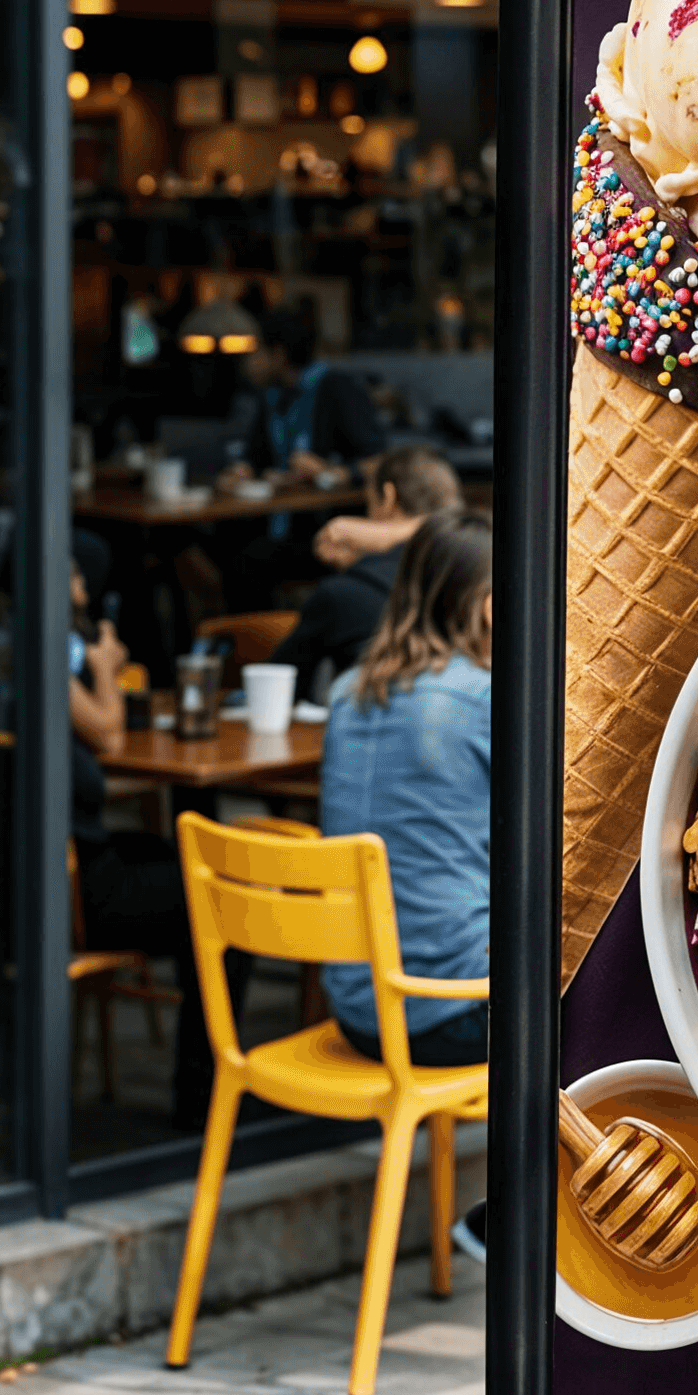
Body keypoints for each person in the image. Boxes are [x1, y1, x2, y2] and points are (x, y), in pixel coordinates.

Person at [316, 519, 498, 1248]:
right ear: (488, 607)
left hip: (357, 1007)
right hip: (445, 1017)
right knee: (589, 991)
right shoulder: (485, 700)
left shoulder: (345, 694)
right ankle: (521, 1220)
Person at [66, 569, 208, 1124]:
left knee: (182, 860)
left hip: (59, 869)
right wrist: (104, 668)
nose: (81, 582)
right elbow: (108, 732)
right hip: (73, 890)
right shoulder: (41, 660)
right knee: (220, 898)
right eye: (73, 572)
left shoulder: (11, 654)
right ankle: (199, 1097)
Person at [281, 444, 465, 699]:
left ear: (388, 498)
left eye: (368, 502)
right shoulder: (480, 572)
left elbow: (280, 681)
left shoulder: (345, 592)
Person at [234, 303, 386, 484]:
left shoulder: (338, 389)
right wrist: (244, 470)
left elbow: (378, 461)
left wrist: (328, 472)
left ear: (278, 355)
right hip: (281, 499)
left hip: (331, 501)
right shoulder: (271, 396)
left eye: (256, 353)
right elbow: (256, 459)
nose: (248, 362)